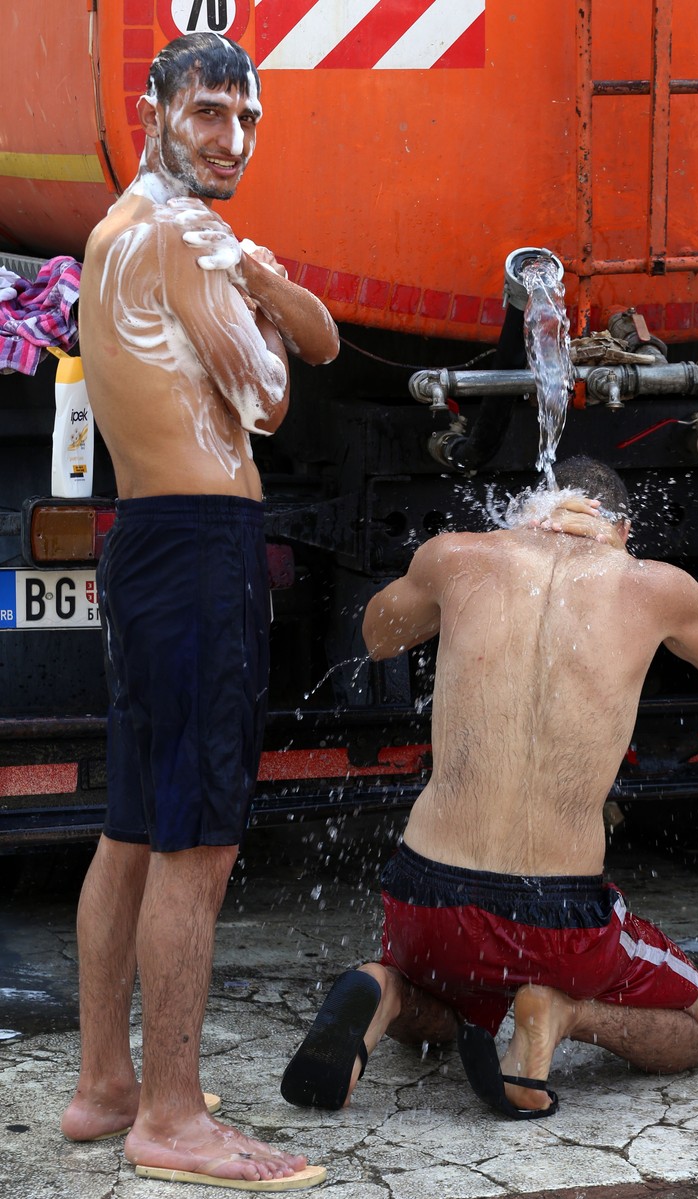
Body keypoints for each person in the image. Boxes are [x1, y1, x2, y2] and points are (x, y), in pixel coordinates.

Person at [59, 33, 339, 1191]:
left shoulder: (118, 227)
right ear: (153, 111)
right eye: (209, 113)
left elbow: (320, 333)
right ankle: (172, 1118)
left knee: (134, 823)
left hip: (147, 541)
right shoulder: (182, 233)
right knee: (200, 839)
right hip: (199, 547)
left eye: (247, 118)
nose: (231, 139)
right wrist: (257, 290)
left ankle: (105, 1083)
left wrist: (264, 284)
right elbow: (270, 393)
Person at [280, 456, 698, 1120]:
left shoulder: (457, 556)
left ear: (531, 508)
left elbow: (377, 634)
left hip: (426, 900)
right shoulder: (654, 586)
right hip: (554, 919)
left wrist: (483, 554)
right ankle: (561, 1012)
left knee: (452, 1004)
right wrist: (658, 597)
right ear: (622, 528)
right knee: (695, 1023)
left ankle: (384, 989)